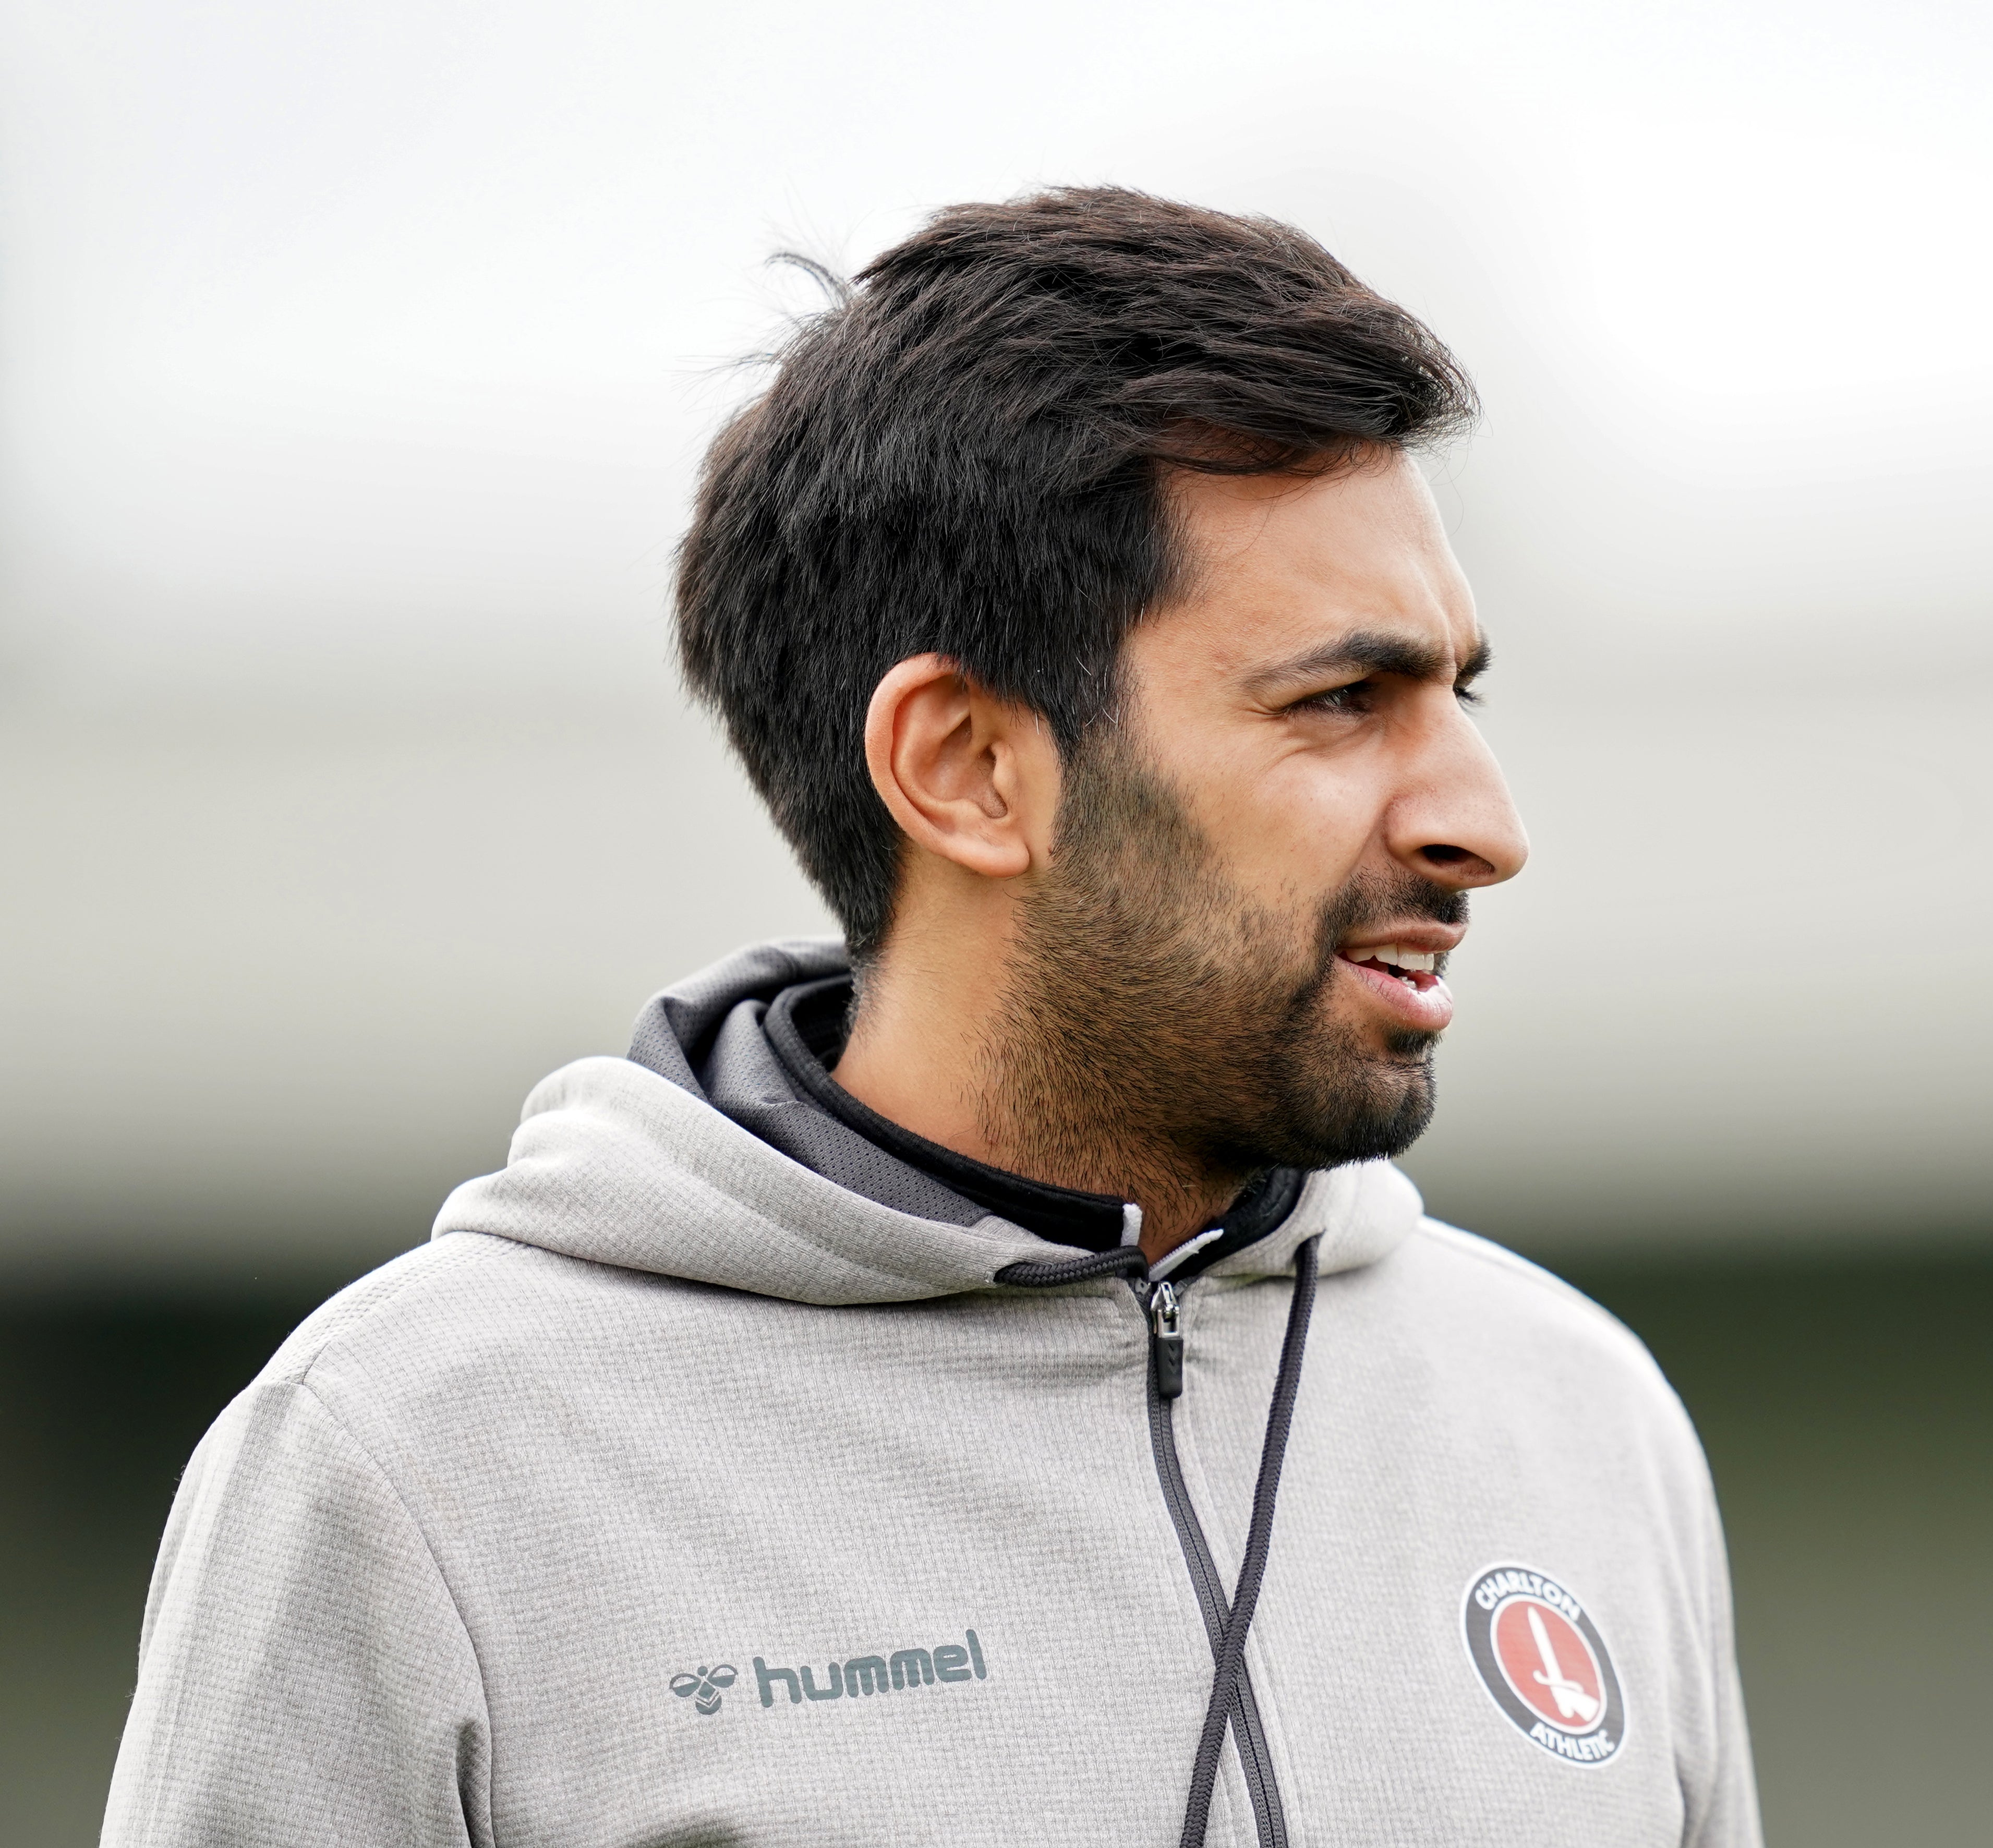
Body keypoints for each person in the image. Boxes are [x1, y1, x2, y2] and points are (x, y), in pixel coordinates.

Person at [103, 187, 1758, 1848]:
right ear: (964, 769)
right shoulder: (419, 1456)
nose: (1484, 821)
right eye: (1340, 700)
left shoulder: (1571, 1415)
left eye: (1453, 695)